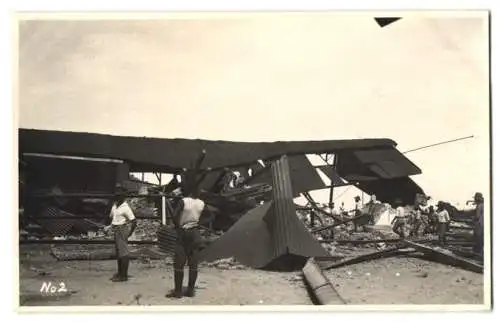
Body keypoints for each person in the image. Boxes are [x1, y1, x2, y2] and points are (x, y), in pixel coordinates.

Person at [167, 182, 207, 298]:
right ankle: (190, 291)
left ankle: (178, 291)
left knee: (179, 262)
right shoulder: (201, 203)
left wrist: (177, 226)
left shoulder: (183, 201)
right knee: (193, 263)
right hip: (194, 232)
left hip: (183, 232)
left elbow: (174, 215)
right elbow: (209, 216)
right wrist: (198, 222)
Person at [105, 184, 137, 282]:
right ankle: (120, 273)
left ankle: (124, 276)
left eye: (119, 195)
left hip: (122, 229)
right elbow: (113, 218)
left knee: (123, 253)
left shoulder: (125, 207)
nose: (117, 197)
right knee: (119, 252)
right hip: (115, 229)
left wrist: (130, 233)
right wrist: (109, 226)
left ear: (123, 196)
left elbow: (134, 221)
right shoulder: (115, 205)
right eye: (116, 195)